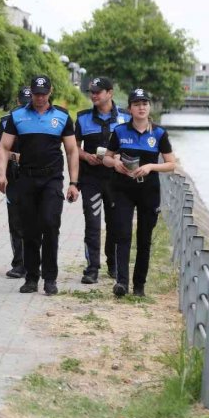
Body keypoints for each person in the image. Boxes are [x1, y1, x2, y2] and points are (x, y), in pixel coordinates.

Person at [0, 75, 80, 296]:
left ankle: (50, 278)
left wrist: (74, 183)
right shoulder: (17, 116)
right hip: (26, 179)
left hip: (52, 179)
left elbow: (72, 151)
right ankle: (31, 277)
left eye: (43, 94)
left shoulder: (62, 116)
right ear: (31, 93)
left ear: (50, 92)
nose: (40, 98)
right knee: (30, 230)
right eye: (36, 94)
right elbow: (3, 146)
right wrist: (1, 174)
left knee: (50, 225)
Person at [103, 88, 176, 298]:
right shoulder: (120, 131)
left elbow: (171, 164)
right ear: (130, 109)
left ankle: (139, 286)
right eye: (137, 104)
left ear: (149, 107)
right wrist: (115, 163)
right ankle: (121, 283)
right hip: (123, 189)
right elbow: (106, 157)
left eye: (145, 103)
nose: (141, 108)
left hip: (148, 189)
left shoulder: (159, 133)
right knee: (122, 234)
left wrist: (151, 166)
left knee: (144, 238)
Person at [74, 77, 131, 284]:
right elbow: (73, 148)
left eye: (98, 92)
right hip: (91, 179)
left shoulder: (126, 117)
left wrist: (119, 159)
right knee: (92, 223)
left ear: (110, 93)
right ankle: (92, 268)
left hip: (117, 181)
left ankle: (113, 264)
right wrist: (85, 156)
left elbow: (133, 145)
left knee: (115, 224)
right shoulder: (82, 118)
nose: (94, 95)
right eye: (92, 92)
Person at [0, 86, 32, 278]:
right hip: (13, 177)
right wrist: (13, 158)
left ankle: (33, 262)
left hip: (35, 177)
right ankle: (19, 263)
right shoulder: (6, 121)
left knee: (34, 221)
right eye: (23, 103)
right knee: (15, 221)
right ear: (18, 101)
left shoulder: (39, 120)